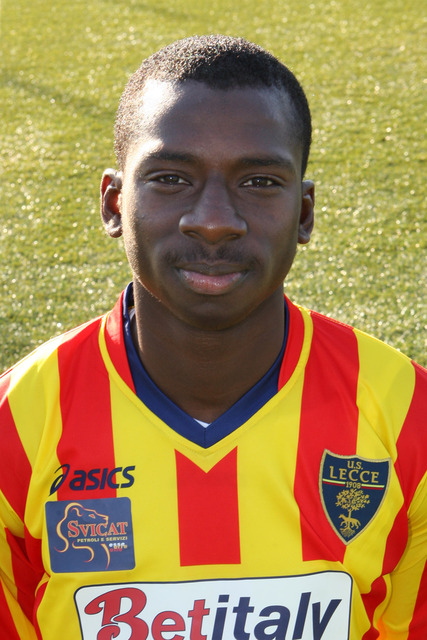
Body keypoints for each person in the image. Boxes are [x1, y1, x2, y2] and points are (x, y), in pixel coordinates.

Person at [0, 35, 425, 640]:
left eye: (259, 182)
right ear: (114, 203)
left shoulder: (408, 417)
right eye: (172, 178)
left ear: (304, 213)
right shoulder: (16, 424)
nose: (214, 221)